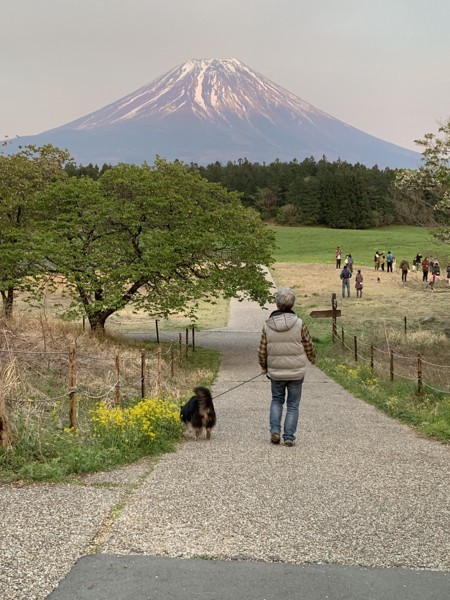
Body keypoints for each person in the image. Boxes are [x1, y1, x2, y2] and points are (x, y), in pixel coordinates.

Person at [258, 288, 316, 447]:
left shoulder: (267, 325)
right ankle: (289, 436)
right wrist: (312, 358)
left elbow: (262, 350)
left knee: (276, 400)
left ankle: (275, 431)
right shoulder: (299, 323)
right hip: (296, 372)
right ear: (292, 304)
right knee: (293, 404)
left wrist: (263, 366)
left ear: (277, 304)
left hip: (276, 372)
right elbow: (308, 344)